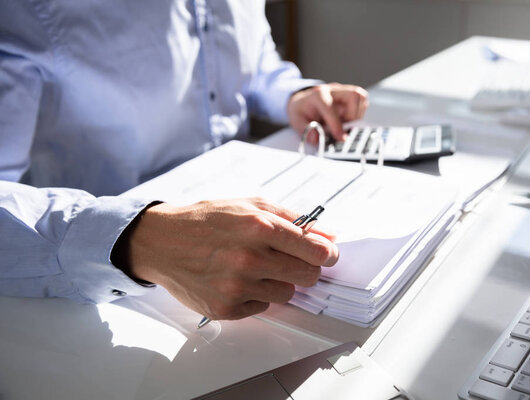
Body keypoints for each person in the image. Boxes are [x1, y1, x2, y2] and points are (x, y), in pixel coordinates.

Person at [0, 0, 368, 321]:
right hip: (107, 297)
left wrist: (292, 94)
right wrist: (134, 239)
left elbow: (254, 62)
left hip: (251, 223)